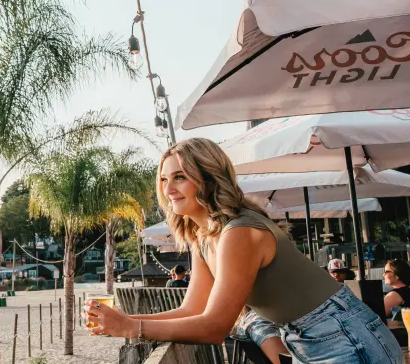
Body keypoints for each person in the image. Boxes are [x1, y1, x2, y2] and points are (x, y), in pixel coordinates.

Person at [85, 138, 401, 364]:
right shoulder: (202, 234)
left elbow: (214, 326)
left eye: (179, 177)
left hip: (342, 334)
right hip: (309, 338)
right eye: (164, 179)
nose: (168, 190)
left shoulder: (238, 231)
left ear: (207, 178)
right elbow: (192, 311)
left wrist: (131, 327)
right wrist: (122, 319)